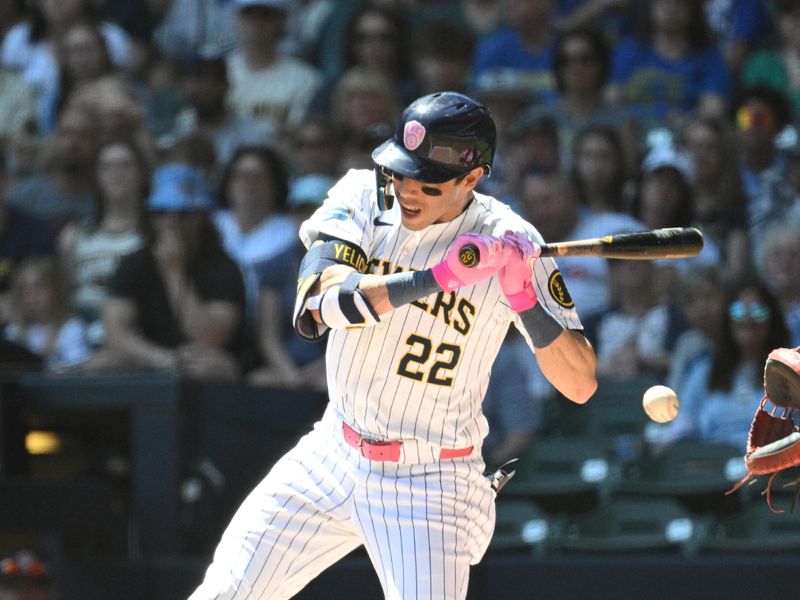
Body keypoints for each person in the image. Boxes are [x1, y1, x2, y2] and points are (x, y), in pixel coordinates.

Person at [189, 91, 598, 599]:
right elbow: (320, 305)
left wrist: (522, 296)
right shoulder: (364, 195)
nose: (406, 189)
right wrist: (438, 276)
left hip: (431, 480)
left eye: (426, 182)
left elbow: (580, 383)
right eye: (401, 171)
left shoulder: (510, 238)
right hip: (334, 449)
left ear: (471, 179)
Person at [86, 162, 246, 381]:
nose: (172, 223)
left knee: (210, 369)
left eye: (184, 214)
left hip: (206, 356)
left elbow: (210, 338)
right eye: (161, 213)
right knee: (101, 363)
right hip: (155, 354)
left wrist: (174, 272)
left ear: (202, 216)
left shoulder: (222, 266)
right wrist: (163, 358)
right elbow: (114, 330)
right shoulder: (136, 262)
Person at [57, 137, 149, 348]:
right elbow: (68, 297)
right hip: (84, 338)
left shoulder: (155, 235)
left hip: (138, 338)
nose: (116, 173)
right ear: (97, 176)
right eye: (107, 166)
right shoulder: (73, 235)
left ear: (141, 173)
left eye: (125, 164)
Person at [3, 256, 91, 372]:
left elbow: (79, 369)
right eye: (25, 288)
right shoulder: (13, 331)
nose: (32, 295)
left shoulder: (72, 328)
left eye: (39, 286)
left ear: (56, 289)